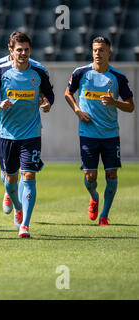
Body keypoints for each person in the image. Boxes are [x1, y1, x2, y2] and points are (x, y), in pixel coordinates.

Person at [0, 32, 54, 238]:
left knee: (29, 175)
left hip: (31, 133)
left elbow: (50, 93)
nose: (23, 53)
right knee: (10, 178)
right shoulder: (0, 70)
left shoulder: (38, 71)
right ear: (11, 50)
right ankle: (16, 204)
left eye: (26, 50)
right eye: (19, 50)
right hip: (6, 134)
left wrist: (48, 103)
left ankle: (25, 225)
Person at [64, 36, 134, 226]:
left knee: (111, 174)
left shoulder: (118, 77)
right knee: (90, 177)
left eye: (101, 50)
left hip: (111, 135)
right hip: (88, 134)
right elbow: (67, 93)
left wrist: (114, 102)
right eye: (95, 50)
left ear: (109, 52)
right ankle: (94, 197)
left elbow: (130, 106)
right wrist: (78, 111)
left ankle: (104, 214)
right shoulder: (81, 73)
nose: (97, 53)